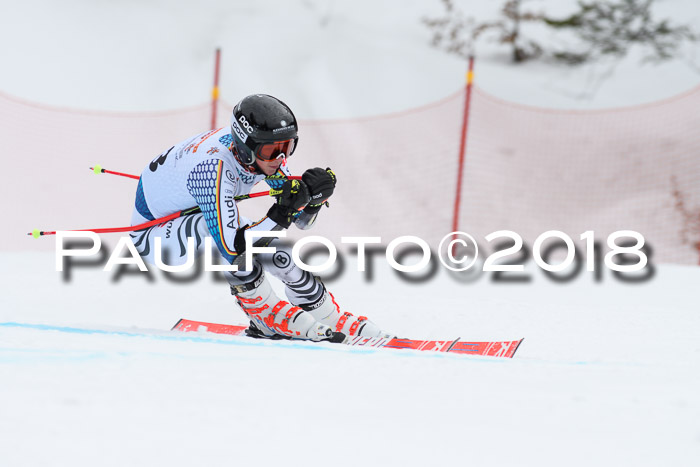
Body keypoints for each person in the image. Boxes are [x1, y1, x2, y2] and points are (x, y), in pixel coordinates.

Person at [129, 94, 390, 343]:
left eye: (287, 147)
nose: (281, 158)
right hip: (154, 239)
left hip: (188, 219)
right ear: (247, 148)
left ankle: (330, 317)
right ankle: (265, 317)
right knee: (230, 240)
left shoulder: (262, 157)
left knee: (279, 253)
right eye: (272, 150)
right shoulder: (212, 168)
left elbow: (300, 222)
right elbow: (234, 251)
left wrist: (312, 201)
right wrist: (284, 211)